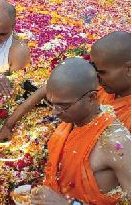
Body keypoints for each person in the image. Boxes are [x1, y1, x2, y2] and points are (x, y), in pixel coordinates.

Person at [0, 31, 131, 141]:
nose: (96, 76)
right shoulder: (102, 81)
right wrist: (9, 124)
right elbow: (45, 90)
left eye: (102, 72)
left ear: (129, 69)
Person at [30, 58, 130, 205]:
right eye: (51, 104)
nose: (54, 113)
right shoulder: (71, 122)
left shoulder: (116, 142)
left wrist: (66, 203)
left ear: (91, 98)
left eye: (63, 106)